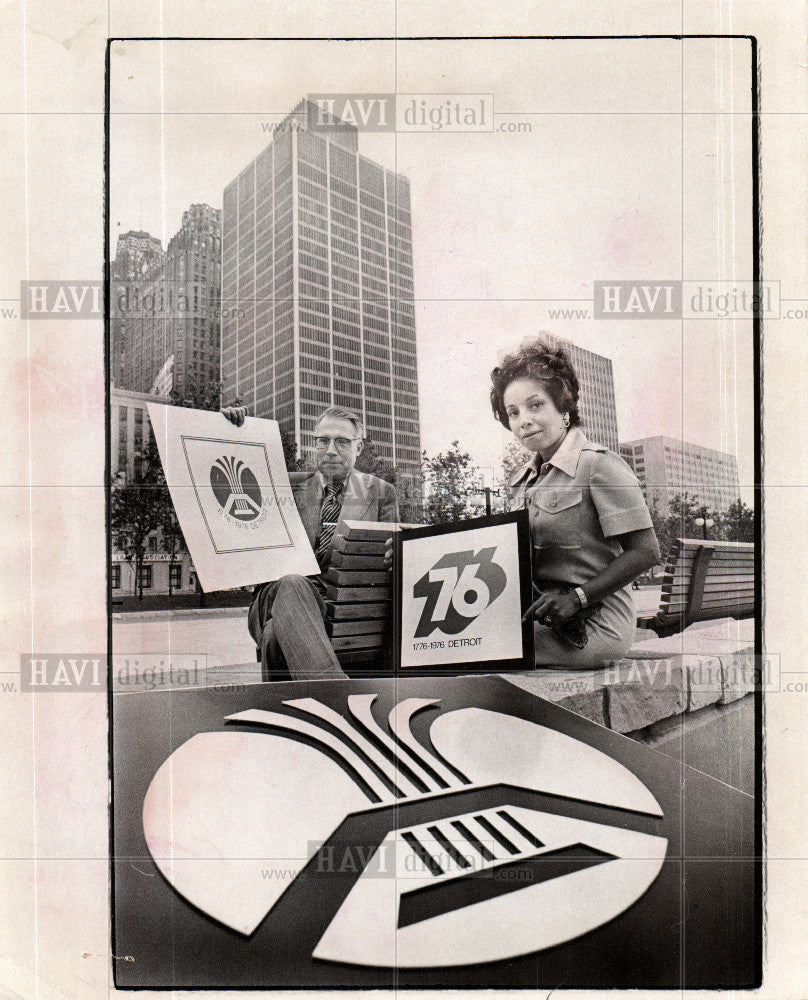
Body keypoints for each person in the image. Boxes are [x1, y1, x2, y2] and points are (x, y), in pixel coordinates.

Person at [490, 339, 660, 668]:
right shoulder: (521, 481)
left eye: (535, 405)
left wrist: (576, 598)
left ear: (563, 407)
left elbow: (647, 552)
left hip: (594, 623)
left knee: (479, 651)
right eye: (513, 412)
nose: (523, 420)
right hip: (542, 617)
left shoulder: (598, 465)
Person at [222, 404, 398, 680]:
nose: (330, 450)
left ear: (358, 446)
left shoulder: (381, 493)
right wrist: (230, 431)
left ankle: (288, 713)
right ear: (314, 444)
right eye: (323, 441)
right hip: (276, 594)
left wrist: (394, 558)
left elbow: (391, 559)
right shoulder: (284, 485)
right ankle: (335, 692)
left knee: (274, 635)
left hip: (344, 607)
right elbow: (232, 476)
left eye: (342, 442)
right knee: (293, 583)